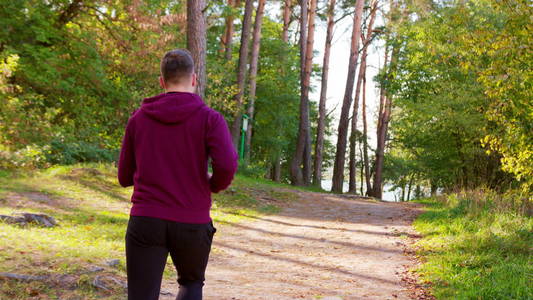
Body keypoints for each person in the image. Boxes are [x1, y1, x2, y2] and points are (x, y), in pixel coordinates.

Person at [118, 49, 238, 300]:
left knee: (141, 295)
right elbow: (227, 165)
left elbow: (124, 175)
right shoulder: (210, 119)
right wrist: (212, 185)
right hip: (192, 220)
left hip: (146, 219)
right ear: (194, 79)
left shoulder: (139, 119)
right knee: (191, 284)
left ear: (161, 81)